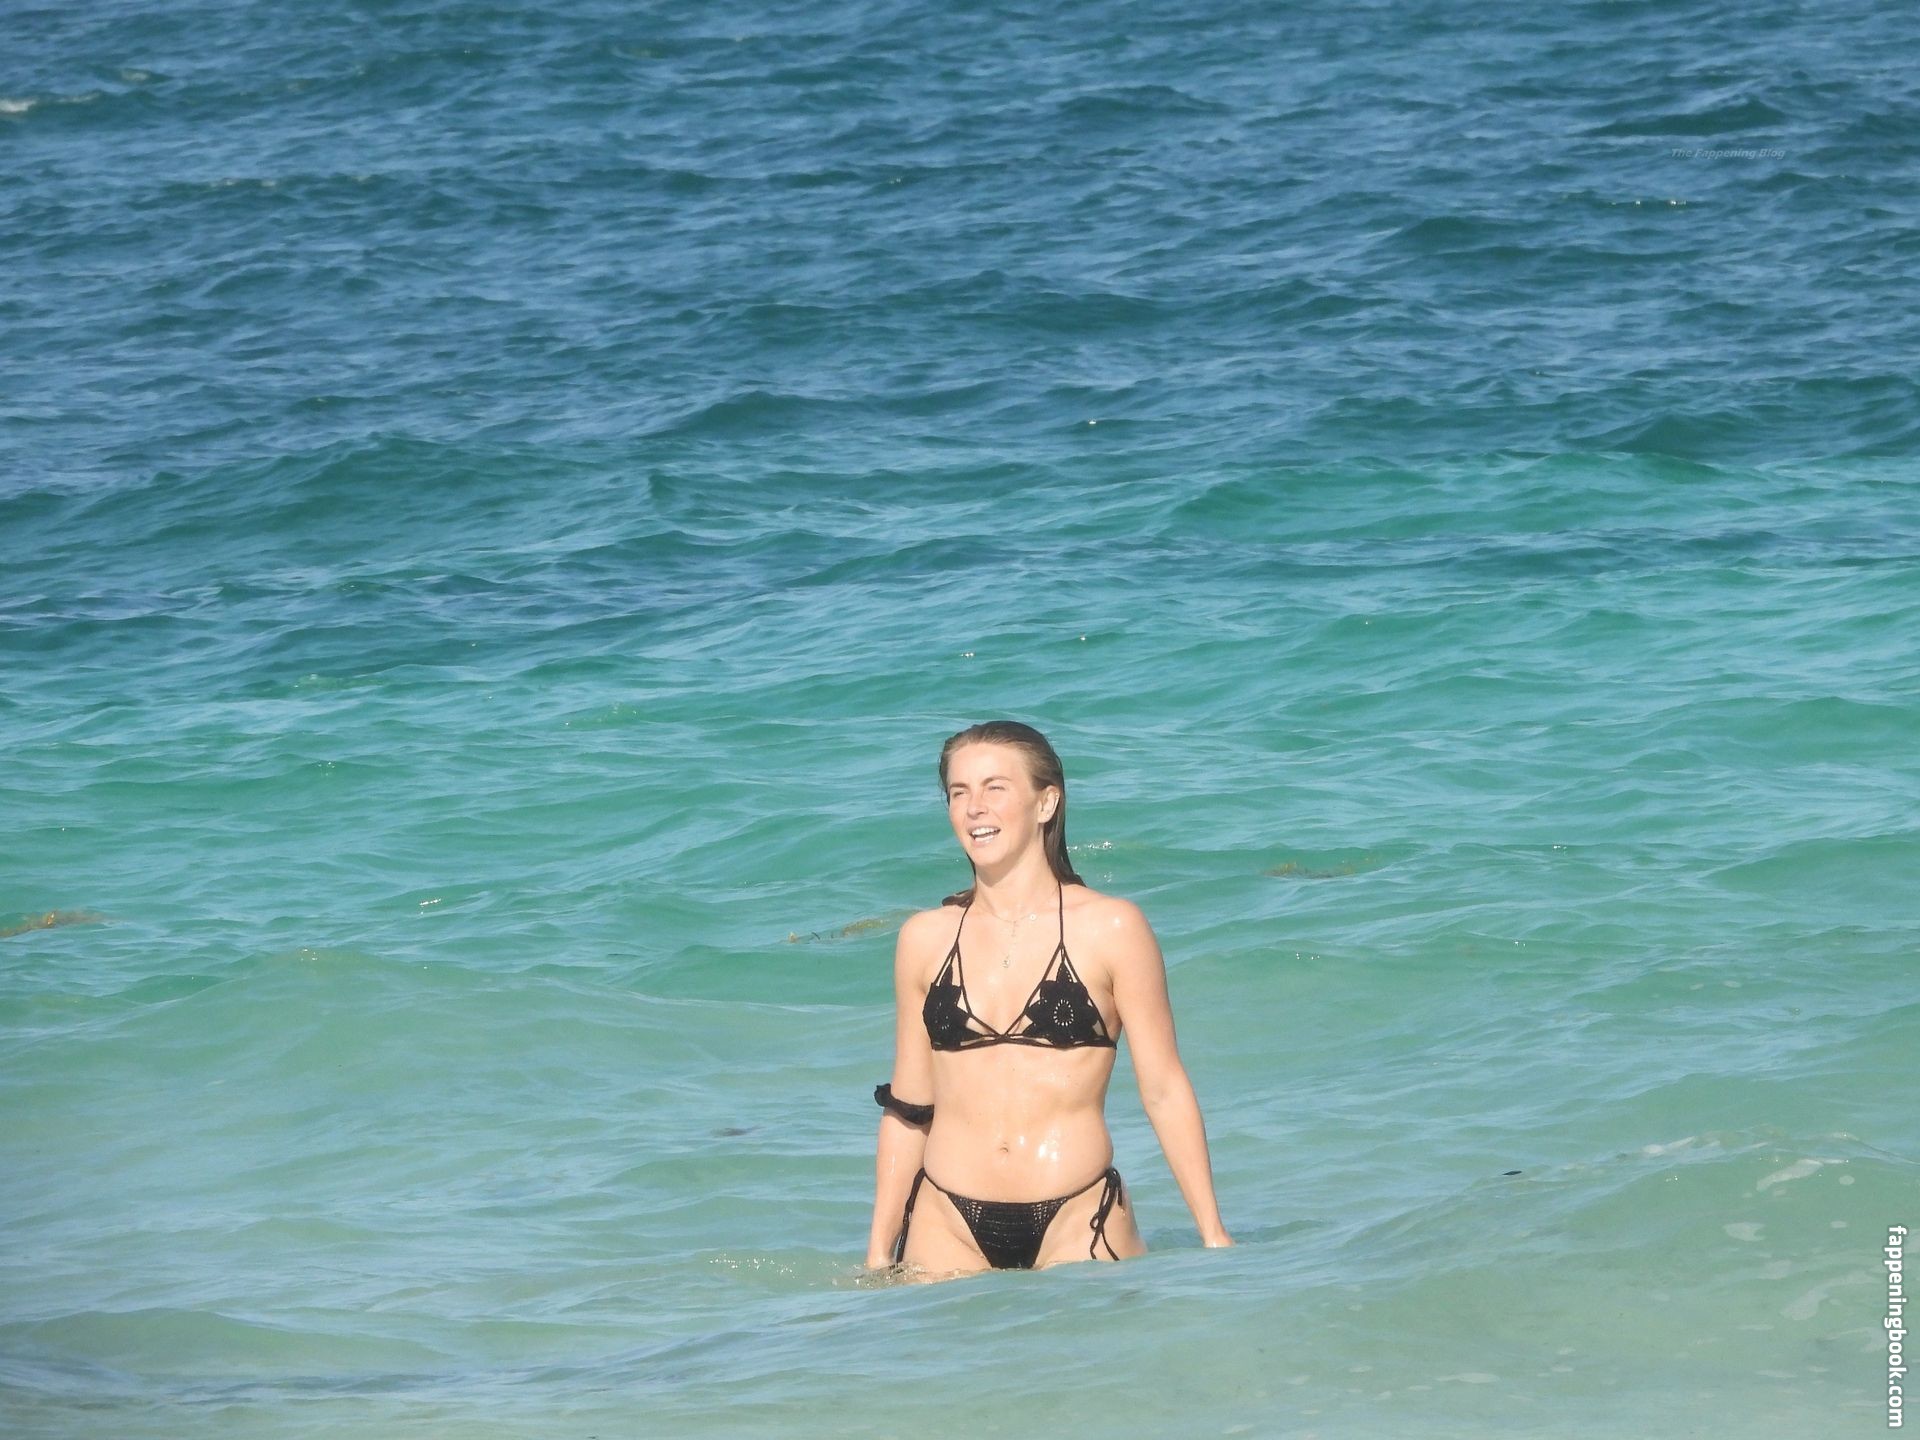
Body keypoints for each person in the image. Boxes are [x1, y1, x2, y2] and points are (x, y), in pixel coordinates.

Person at [866, 720, 1233, 1277]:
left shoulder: (1112, 927)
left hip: (1080, 1216)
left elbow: (1163, 1088)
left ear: (1046, 803)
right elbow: (909, 1106)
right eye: (959, 792)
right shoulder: (924, 938)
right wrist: (877, 1250)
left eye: (995, 788)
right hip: (944, 1220)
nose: (974, 807)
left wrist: (1213, 1234)